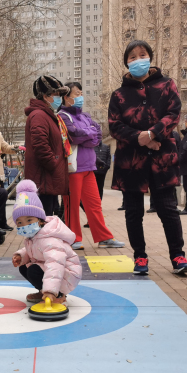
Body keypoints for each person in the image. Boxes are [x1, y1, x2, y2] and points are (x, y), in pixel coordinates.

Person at [108, 40, 187, 276]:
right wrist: (140, 138)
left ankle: (178, 256)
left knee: (168, 208)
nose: (138, 60)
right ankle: (140, 257)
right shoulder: (119, 94)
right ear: (126, 62)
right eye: (132, 57)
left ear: (150, 57)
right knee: (134, 211)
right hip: (130, 160)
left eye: (142, 55)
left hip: (162, 157)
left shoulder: (167, 85)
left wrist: (154, 133)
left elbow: (173, 113)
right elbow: (114, 126)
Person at [58, 82, 125, 250]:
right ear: (66, 97)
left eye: (81, 93)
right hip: (73, 168)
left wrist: (87, 135)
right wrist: (88, 134)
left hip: (89, 167)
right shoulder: (62, 116)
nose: (80, 97)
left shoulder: (85, 116)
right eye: (76, 94)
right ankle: (74, 238)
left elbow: (98, 134)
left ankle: (104, 237)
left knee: (94, 205)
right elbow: (73, 135)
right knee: (71, 205)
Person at [11, 180, 82, 303]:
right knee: (24, 266)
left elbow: (55, 265)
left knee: (34, 270)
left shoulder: (50, 239)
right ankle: (42, 291)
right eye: (20, 223)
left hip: (66, 274)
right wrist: (22, 255)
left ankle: (58, 295)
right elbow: (36, 250)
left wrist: (51, 290)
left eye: (29, 220)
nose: (25, 225)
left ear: (41, 220)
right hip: (55, 271)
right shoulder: (35, 235)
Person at [24, 75, 71, 218]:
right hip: (43, 179)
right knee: (43, 219)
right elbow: (40, 145)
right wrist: (54, 164)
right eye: (56, 95)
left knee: (47, 218)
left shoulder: (47, 115)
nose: (59, 98)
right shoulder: (39, 115)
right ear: (45, 96)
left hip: (47, 178)